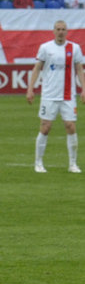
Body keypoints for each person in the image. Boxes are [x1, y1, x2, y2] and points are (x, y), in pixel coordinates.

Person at [27, 20, 85, 173]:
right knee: (45, 128)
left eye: (63, 29)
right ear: (53, 31)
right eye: (58, 29)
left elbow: (80, 70)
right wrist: (30, 89)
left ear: (67, 31)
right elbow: (37, 68)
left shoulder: (75, 48)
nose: (60, 32)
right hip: (49, 95)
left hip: (68, 95)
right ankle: (38, 163)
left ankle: (73, 164)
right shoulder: (45, 48)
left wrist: (84, 89)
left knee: (71, 127)